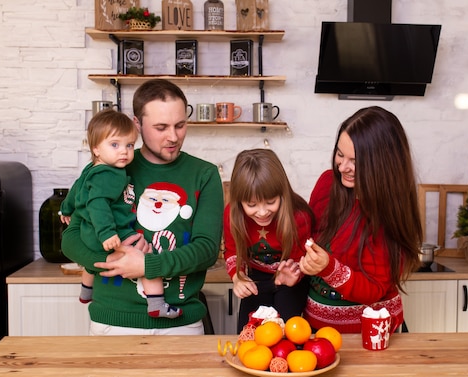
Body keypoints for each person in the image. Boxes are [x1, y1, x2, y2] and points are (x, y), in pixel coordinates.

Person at [61, 79, 224, 335]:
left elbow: (206, 250)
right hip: (111, 323)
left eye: (180, 125)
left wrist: (148, 267)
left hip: (180, 326)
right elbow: (70, 239)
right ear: (137, 124)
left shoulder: (204, 174)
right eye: (161, 127)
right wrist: (116, 261)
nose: (173, 136)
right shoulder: (106, 170)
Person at [296, 106, 422, 333]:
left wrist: (328, 268)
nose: (343, 167)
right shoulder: (327, 184)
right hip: (317, 332)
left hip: (372, 336)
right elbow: (311, 243)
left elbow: (373, 288)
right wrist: (297, 267)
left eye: (355, 160)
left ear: (383, 163)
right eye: (340, 154)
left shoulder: (388, 211)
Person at [59, 110, 182, 318]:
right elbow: (98, 203)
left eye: (129, 145)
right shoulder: (110, 174)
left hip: (88, 232)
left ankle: (86, 292)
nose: (124, 152)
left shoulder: (91, 169)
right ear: (96, 148)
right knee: (146, 259)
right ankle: (157, 304)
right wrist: (107, 234)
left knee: (90, 264)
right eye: (115, 145)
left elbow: (76, 189)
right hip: (110, 231)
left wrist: (66, 208)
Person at [223, 148, 314, 332]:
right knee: (249, 331)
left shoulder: (299, 217)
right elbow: (232, 251)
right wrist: (238, 277)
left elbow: (304, 261)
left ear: (282, 194)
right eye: (252, 205)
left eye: (270, 202)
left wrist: (294, 275)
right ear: (239, 201)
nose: (262, 212)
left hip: (291, 281)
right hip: (256, 277)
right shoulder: (232, 215)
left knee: (285, 333)